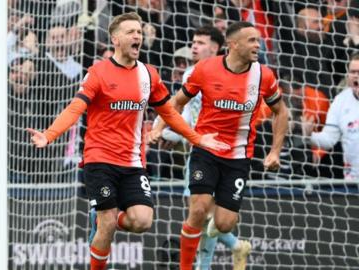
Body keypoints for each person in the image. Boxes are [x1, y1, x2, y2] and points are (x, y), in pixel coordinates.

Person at [27, 12, 230, 270]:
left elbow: (168, 112)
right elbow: (75, 109)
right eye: (131, 32)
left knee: (142, 221)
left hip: (133, 162)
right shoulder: (98, 73)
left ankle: (104, 216)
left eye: (139, 32)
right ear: (115, 39)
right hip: (99, 160)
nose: (138, 36)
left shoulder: (148, 74)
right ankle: (103, 223)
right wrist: (49, 134)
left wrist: (197, 138)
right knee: (107, 224)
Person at [150, 21, 289, 270]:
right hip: (205, 150)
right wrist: (159, 127)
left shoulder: (264, 75)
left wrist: (275, 151)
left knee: (224, 223)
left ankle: (232, 243)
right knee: (199, 209)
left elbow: (281, 111)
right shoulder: (205, 70)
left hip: (238, 157)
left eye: (258, 40)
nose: (258, 45)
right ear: (233, 45)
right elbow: (177, 102)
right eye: (252, 41)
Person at [160, 25, 251, 270]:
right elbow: (187, 117)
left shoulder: (239, 72)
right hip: (200, 153)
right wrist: (166, 133)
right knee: (201, 213)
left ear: (216, 47)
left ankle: (226, 251)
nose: (193, 47)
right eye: (193, 42)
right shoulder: (192, 72)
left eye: (199, 42)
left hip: (230, 155)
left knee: (205, 214)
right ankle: (217, 257)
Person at [302, 53, 359, 180]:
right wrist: (309, 135)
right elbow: (329, 139)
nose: (355, 76)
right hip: (353, 181)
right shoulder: (340, 101)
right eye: (352, 72)